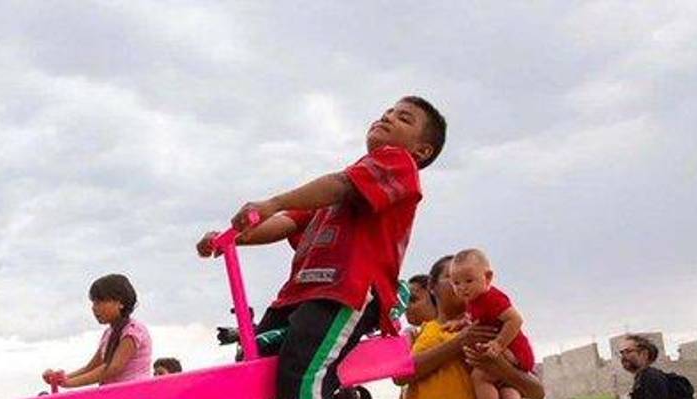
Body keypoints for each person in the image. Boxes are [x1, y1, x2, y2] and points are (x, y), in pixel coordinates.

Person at [197, 96, 448, 399]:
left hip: (346, 291)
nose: (389, 117)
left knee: (304, 375)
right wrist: (231, 239)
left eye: (404, 118)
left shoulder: (399, 164)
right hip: (297, 295)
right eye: (387, 112)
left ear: (422, 150)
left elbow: (338, 185)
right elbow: (287, 222)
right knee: (254, 365)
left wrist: (273, 202)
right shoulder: (336, 192)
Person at [398, 255, 545, 399]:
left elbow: (537, 392)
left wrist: (500, 367)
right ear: (432, 285)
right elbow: (398, 376)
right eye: (453, 278)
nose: (462, 286)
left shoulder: (493, 328)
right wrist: (459, 342)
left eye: (468, 279)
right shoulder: (411, 333)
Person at [445, 249, 535, 399]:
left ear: (488, 277)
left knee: (479, 376)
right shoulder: (474, 300)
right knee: (507, 388)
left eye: (468, 281)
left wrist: (499, 344)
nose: (462, 287)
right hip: (510, 352)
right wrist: (459, 323)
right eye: (456, 283)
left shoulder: (491, 298)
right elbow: (475, 319)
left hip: (513, 350)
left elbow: (516, 319)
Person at [41, 274, 153, 387]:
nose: (94, 308)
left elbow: (113, 368)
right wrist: (61, 379)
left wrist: (69, 383)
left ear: (120, 303)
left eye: (99, 302)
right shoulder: (108, 334)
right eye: (93, 303)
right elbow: (90, 368)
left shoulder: (133, 330)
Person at [618, 334, 689, 399]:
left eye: (628, 351)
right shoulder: (642, 377)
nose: (623, 356)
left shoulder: (650, 377)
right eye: (621, 353)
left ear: (644, 354)